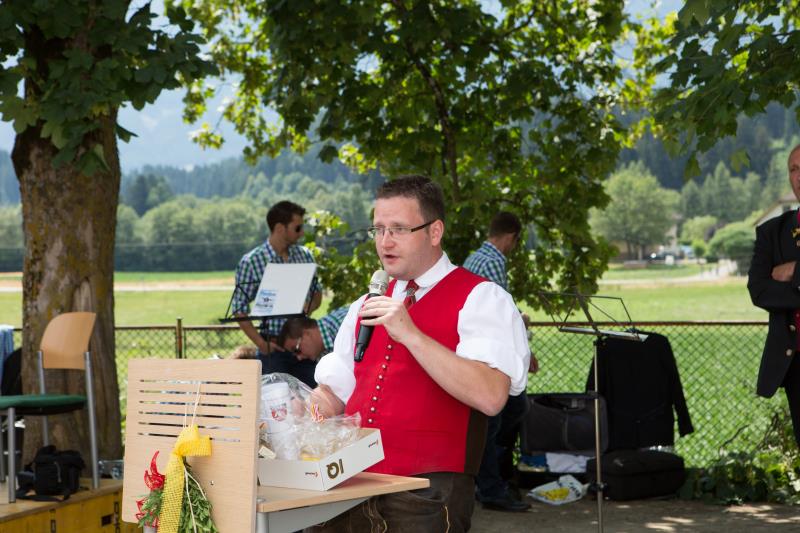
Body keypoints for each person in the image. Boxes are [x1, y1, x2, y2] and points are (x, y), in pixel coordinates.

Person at [309, 175, 530, 532]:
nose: (385, 241)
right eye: (378, 229)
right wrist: (298, 408)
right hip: (350, 484)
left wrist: (412, 335)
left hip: (427, 493)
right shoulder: (365, 304)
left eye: (398, 229)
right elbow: (337, 392)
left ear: (434, 231)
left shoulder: (482, 298)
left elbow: (490, 396)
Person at [463, 211, 538, 512]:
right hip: (490, 356)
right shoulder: (494, 261)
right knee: (501, 419)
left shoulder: (473, 258)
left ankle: (488, 482)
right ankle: (493, 487)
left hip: (472, 353)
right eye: (516, 242)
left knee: (491, 423)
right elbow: (502, 314)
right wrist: (524, 342)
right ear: (511, 237)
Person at [231, 200, 323, 376]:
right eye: (297, 228)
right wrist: (261, 344)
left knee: (313, 392)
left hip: (304, 348)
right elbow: (239, 309)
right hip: (272, 351)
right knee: (276, 394)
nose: (302, 233)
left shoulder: (305, 256)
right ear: (280, 228)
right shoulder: (251, 261)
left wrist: (308, 308)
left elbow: (316, 294)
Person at [748, 143, 800, 447]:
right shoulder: (772, 232)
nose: (799, 176)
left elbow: (778, 288)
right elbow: (759, 291)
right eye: (793, 169)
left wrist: (794, 270)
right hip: (796, 364)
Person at [273, 306, 349, 387]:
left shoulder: (345, 324)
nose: (299, 357)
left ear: (307, 334)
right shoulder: (321, 350)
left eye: (297, 350)